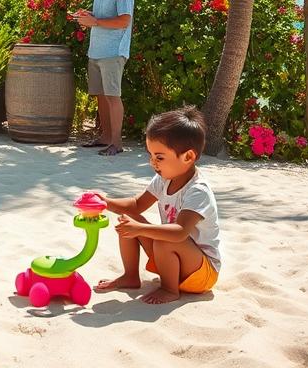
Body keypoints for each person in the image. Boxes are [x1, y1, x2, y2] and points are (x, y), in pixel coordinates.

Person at [93, 106, 221, 304]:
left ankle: (169, 289)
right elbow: (136, 205)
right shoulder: (163, 179)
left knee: (164, 237)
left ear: (188, 157)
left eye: (159, 157)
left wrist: (140, 229)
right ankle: (130, 276)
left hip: (200, 274)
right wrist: (106, 202)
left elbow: (179, 232)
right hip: (172, 260)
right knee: (129, 218)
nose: (153, 163)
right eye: (151, 155)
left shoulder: (198, 190)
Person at [73, 0, 134, 155]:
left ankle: (116, 144)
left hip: (113, 52)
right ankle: (106, 137)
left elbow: (125, 20)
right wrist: (87, 16)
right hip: (96, 52)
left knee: (112, 96)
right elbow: (101, 17)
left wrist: (95, 21)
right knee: (101, 96)